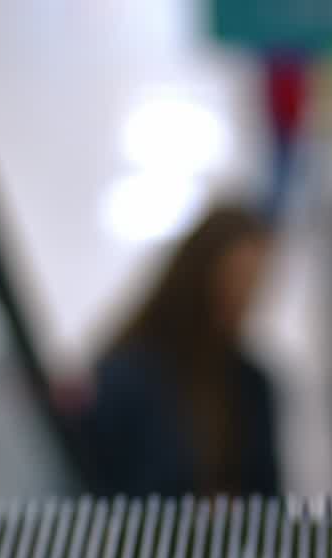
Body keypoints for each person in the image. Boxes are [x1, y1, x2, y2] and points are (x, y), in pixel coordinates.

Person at [83, 204, 280, 498]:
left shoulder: (251, 383)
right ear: (199, 278)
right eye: (234, 281)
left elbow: (268, 497)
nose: (244, 299)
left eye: (253, 283)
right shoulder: (125, 378)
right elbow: (92, 489)